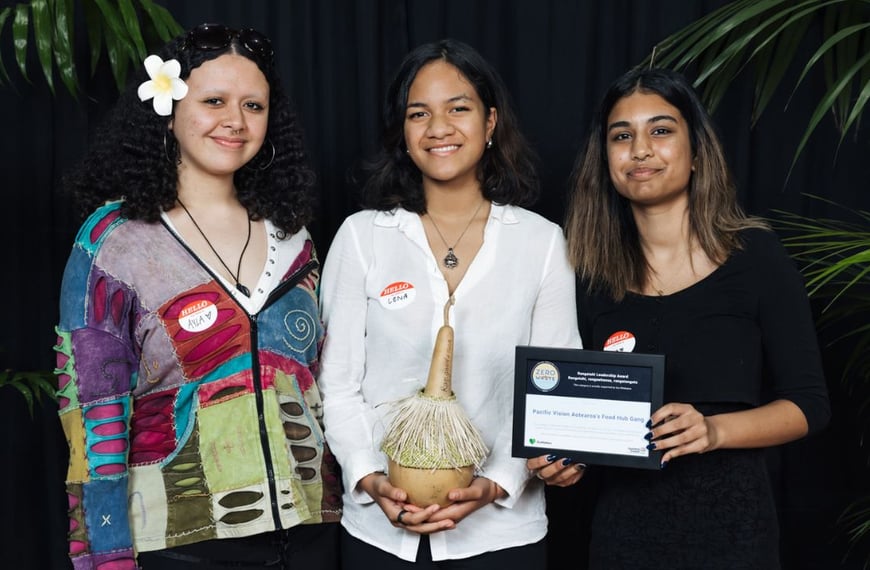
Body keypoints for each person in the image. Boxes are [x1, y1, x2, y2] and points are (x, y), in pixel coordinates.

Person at [53, 23, 342, 570]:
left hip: (310, 531)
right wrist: (107, 557)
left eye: (253, 105)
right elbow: (92, 413)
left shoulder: (294, 237)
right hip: (182, 544)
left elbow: (328, 381)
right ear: (169, 110)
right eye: (214, 101)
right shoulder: (115, 242)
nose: (235, 121)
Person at [316, 38, 583, 568]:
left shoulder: (541, 242)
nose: (439, 128)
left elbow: (552, 390)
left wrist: (496, 483)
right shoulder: (362, 236)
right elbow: (336, 382)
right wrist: (369, 475)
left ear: (489, 123)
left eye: (458, 108)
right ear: (403, 134)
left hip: (503, 536)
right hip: (376, 534)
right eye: (420, 114)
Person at [550, 66, 831, 568]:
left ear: (697, 152)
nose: (640, 149)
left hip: (734, 534)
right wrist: (561, 460)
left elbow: (810, 405)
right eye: (622, 136)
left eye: (660, 130)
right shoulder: (589, 277)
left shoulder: (756, 257)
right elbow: (584, 417)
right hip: (622, 538)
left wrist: (714, 431)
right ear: (605, 159)